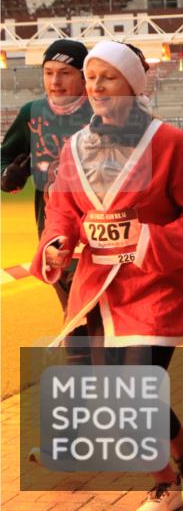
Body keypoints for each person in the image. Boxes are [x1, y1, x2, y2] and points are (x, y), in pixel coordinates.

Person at [30, 40, 183, 511]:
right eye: (91, 78)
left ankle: (171, 478)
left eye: (108, 77)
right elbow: (63, 211)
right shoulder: (75, 148)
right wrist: (56, 243)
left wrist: (149, 240)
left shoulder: (170, 143)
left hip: (155, 285)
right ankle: (179, 464)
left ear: (133, 84)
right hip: (97, 291)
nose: (97, 87)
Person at [1, 39, 93, 362]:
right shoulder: (32, 114)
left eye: (65, 73)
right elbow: (5, 157)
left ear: (84, 76)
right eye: (49, 72)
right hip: (55, 235)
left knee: (91, 317)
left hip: (102, 233)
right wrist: (8, 175)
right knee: (79, 317)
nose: (55, 81)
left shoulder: (104, 112)